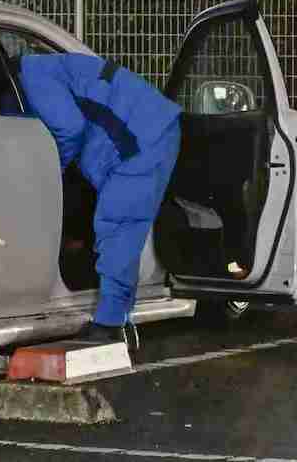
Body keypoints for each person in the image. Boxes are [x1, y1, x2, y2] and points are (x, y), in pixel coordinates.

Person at [16, 53, 182, 349]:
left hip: (139, 141)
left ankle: (108, 326)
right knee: (124, 230)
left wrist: (53, 172)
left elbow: (69, 127)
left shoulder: (32, 76)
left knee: (118, 227)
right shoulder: (45, 66)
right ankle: (119, 320)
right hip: (151, 131)